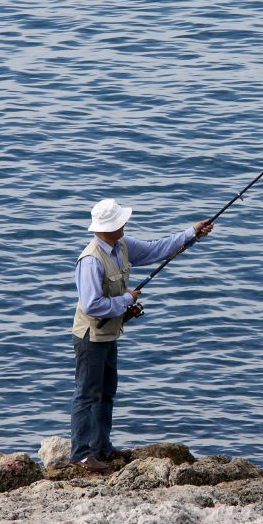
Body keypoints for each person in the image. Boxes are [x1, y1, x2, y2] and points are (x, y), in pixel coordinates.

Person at [70, 198, 213, 472]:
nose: (125, 223)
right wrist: (125, 300)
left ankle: (101, 448)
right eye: (121, 221)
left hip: (110, 333)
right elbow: (91, 304)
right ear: (110, 227)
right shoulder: (90, 260)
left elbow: (156, 250)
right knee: (87, 394)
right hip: (91, 337)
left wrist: (191, 233)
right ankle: (80, 454)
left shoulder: (122, 245)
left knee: (107, 391)